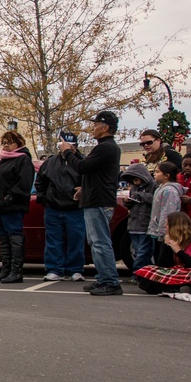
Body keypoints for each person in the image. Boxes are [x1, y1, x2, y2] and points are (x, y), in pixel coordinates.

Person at [59, 111, 123, 296]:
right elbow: (92, 170)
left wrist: (67, 153)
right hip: (96, 198)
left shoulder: (106, 148)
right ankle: (103, 278)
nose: (93, 128)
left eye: (96, 125)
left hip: (99, 201)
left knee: (100, 242)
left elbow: (82, 167)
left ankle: (110, 281)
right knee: (95, 241)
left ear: (105, 127)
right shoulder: (105, 148)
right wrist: (83, 188)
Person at [0, 131, 35, 284]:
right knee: (3, 238)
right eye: (4, 142)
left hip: (11, 207)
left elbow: (24, 183)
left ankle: (16, 271)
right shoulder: (2, 162)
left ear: (18, 144)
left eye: (9, 142)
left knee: (14, 236)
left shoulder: (22, 160)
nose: (5, 145)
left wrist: (10, 196)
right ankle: (6, 269)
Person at [135, 212, 191, 294]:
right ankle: (176, 288)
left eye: (167, 224)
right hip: (178, 272)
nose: (165, 226)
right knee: (147, 271)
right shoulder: (173, 239)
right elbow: (163, 266)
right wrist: (166, 245)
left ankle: (173, 288)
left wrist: (179, 251)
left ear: (176, 227)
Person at [36, 147, 87, 282]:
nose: (66, 148)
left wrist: (84, 190)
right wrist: (44, 199)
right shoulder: (50, 162)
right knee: (53, 240)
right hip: (53, 208)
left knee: (76, 240)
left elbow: (91, 179)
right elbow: (40, 181)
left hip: (75, 208)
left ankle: (75, 270)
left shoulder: (82, 162)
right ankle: (54, 269)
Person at [119, 162, 157, 277]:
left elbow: (154, 199)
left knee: (143, 251)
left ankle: (137, 274)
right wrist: (127, 202)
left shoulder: (153, 186)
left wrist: (139, 196)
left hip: (145, 224)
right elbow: (130, 206)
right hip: (133, 225)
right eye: (131, 178)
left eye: (136, 178)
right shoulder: (134, 188)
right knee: (137, 251)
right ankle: (145, 273)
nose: (134, 181)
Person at [146, 162, 184, 257]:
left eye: (157, 172)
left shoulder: (170, 191)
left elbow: (168, 212)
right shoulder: (160, 188)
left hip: (165, 233)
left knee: (163, 256)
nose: (154, 174)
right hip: (157, 230)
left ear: (167, 175)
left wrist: (163, 232)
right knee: (156, 255)